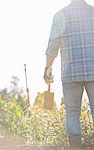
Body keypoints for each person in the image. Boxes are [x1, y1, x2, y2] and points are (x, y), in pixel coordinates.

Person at [43, 0, 94, 149]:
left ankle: (76, 147)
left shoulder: (60, 15)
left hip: (70, 72)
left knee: (72, 113)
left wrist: (47, 67)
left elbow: (53, 46)